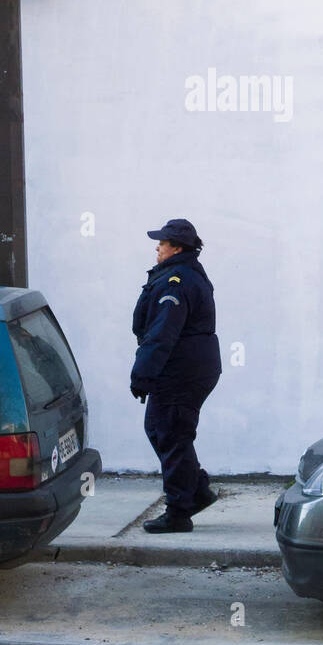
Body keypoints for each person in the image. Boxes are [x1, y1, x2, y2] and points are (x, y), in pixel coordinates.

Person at [130, 218, 222, 533]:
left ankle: (179, 512)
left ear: (177, 248)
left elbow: (162, 334)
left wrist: (143, 375)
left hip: (182, 370)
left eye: (163, 243)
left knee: (170, 433)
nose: (157, 247)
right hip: (190, 367)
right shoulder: (184, 274)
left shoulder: (177, 282)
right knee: (165, 430)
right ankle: (195, 490)